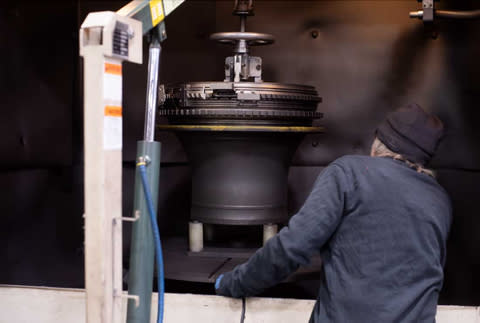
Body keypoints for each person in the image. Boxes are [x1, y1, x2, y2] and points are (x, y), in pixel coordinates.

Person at [214, 103, 451, 322]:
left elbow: (292, 247)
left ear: (378, 141)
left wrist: (234, 283)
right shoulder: (440, 200)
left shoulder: (350, 173)